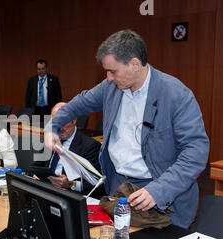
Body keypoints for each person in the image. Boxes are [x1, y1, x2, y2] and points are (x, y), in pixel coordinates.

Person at [44, 30, 209, 228]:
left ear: (135, 65)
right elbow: (77, 104)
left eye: (113, 71)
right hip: (119, 189)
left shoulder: (176, 94)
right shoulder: (111, 87)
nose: (109, 77)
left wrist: (159, 190)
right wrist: (52, 126)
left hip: (160, 196)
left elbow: (196, 152)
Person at [33, 102, 103, 198]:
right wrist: (34, 176)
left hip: (69, 196)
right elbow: (35, 167)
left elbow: (97, 187)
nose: (59, 127)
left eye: (63, 122)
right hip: (46, 192)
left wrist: (71, 184)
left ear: (74, 120)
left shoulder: (90, 146)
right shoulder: (51, 138)